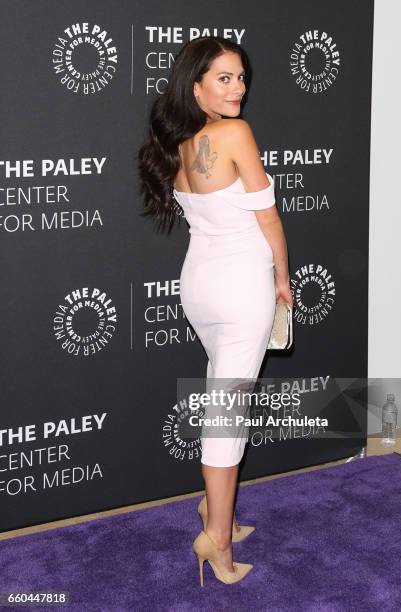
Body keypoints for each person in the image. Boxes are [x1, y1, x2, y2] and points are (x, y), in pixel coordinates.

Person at [138, 36, 293, 586]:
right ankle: (218, 543)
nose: (238, 88)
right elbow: (268, 217)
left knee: (220, 398)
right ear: (196, 84)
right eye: (223, 78)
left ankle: (213, 511)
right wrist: (282, 275)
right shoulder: (235, 133)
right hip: (239, 287)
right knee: (227, 418)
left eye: (241, 77)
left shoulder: (182, 142)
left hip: (199, 285)